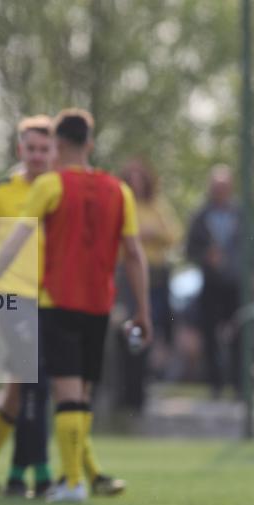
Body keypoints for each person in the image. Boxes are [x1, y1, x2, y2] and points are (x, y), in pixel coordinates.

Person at [0, 109, 150, 502]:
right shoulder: (119, 190)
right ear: (90, 144)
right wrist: (144, 310)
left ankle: (73, 481)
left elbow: (16, 241)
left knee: (66, 393)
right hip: (100, 304)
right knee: (83, 394)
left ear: (57, 144)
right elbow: (134, 254)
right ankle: (75, 478)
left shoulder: (51, 185)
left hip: (57, 302)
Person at [0, 115, 53, 498]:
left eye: (44, 149)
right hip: (11, 297)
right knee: (37, 380)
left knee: (21, 388)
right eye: (31, 148)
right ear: (20, 149)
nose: (37, 155)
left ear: (55, 152)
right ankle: (42, 475)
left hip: (50, 301)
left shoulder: (58, 193)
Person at [186, 165, 254, 399]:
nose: (220, 190)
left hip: (237, 285)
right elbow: (189, 249)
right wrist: (206, 256)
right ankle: (215, 385)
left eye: (224, 186)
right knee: (210, 335)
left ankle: (240, 386)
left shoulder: (242, 214)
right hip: (211, 285)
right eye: (216, 186)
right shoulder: (200, 216)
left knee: (241, 334)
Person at [116, 159, 181, 409]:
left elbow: (174, 234)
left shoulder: (157, 207)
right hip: (128, 276)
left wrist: (153, 234)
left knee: (150, 327)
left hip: (155, 277)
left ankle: (142, 384)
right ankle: (128, 388)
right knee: (129, 328)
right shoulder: (122, 205)